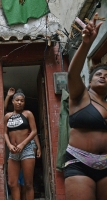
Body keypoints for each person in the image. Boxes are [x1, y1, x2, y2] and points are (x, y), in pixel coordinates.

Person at [64, 13, 107, 200]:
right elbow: (72, 75)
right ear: (89, 82)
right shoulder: (80, 95)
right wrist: (86, 44)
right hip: (79, 162)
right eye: (99, 74)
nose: (104, 76)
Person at [4, 89, 37, 200]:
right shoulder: (8, 116)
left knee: (28, 184)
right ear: (13, 101)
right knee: (12, 183)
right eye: (17, 100)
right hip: (13, 151)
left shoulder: (28, 114)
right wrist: (9, 145)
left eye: (22, 101)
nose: (19, 102)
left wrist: (22, 144)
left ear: (24, 102)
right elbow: (4, 132)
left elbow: (34, 131)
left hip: (26, 149)